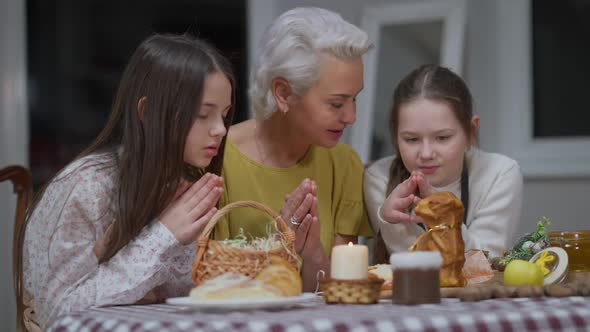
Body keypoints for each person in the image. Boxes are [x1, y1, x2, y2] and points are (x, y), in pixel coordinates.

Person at [23, 34, 235, 328]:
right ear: (147, 112)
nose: (221, 130)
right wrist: (162, 236)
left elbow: (182, 297)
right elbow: (56, 314)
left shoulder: (187, 183)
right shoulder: (86, 187)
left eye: (224, 116)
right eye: (202, 114)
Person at [215, 7, 373, 290]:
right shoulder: (217, 158)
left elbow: (341, 294)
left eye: (355, 99)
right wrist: (279, 250)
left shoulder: (345, 164)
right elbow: (210, 285)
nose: (351, 117)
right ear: (284, 93)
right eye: (337, 103)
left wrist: (312, 252)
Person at [364, 64, 523, 261]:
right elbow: (412, 267)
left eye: (443, 138)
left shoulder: (500, 173)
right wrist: (390, 220)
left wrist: (447, 220)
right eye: (412, 139)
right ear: (395, 137)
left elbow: (484, 263)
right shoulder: (378, 177)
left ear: (471, 131)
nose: (426, 153)